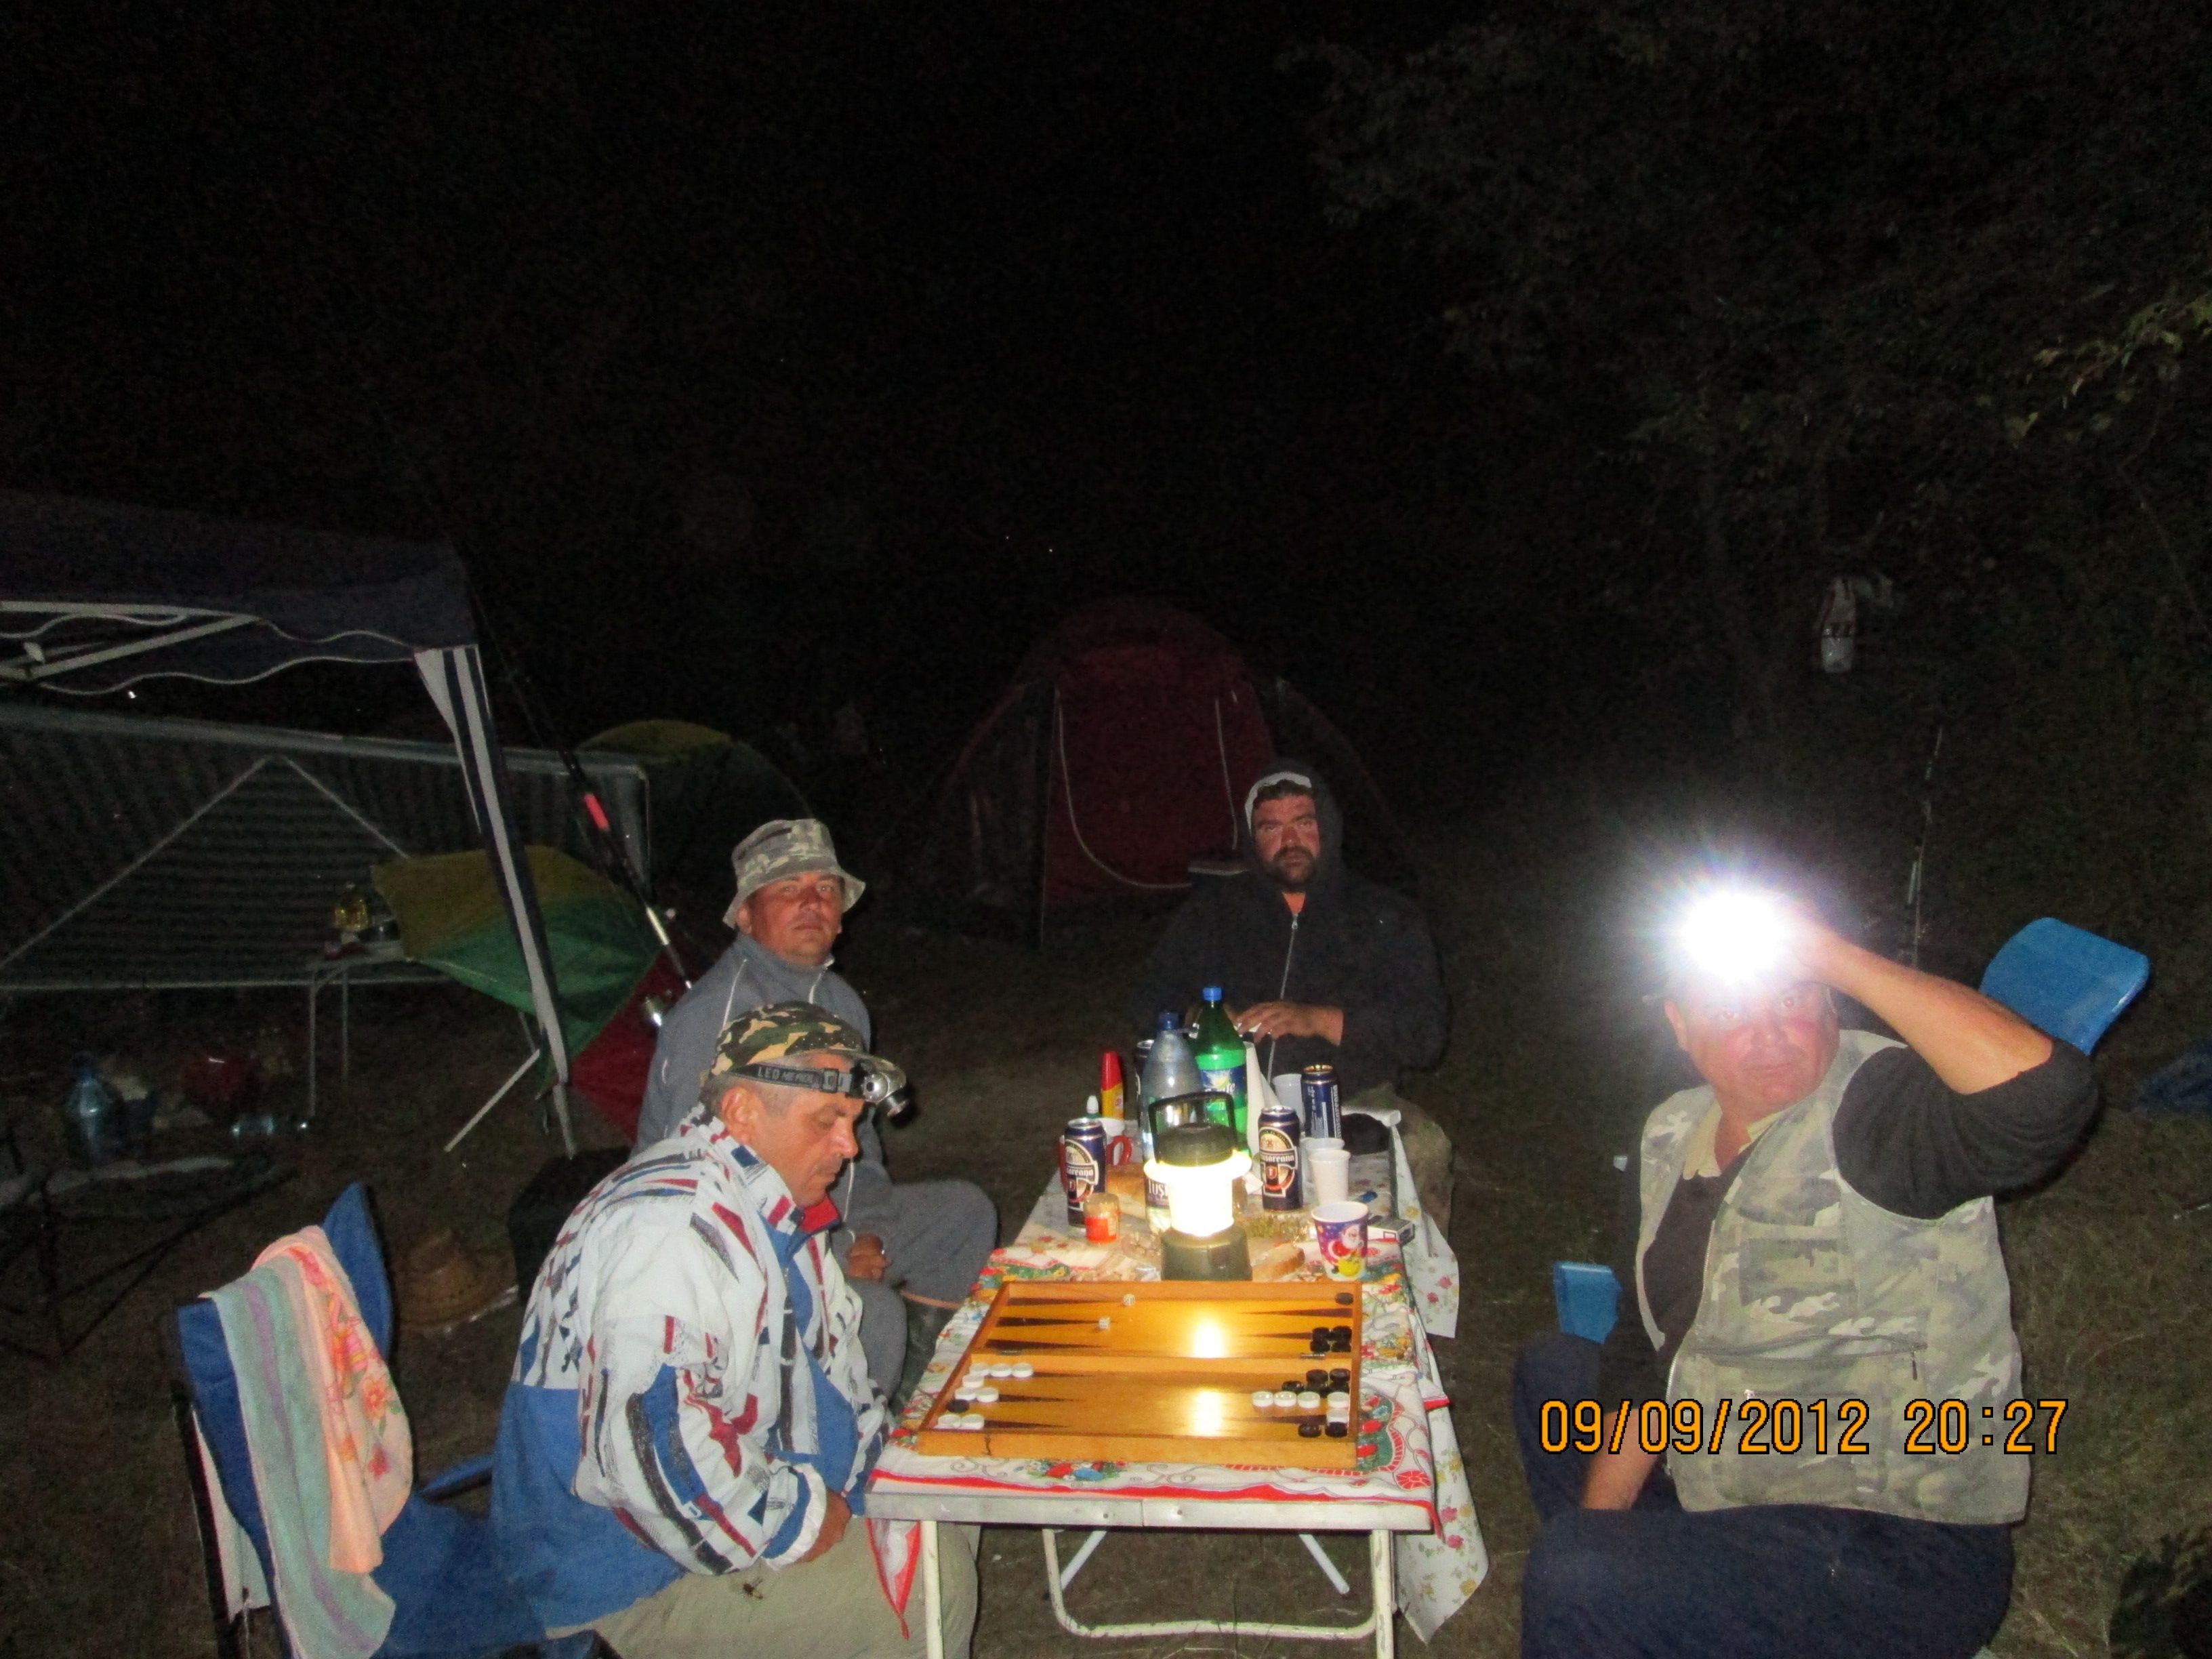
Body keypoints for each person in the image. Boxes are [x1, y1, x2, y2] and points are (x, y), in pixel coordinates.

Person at [1510, 893, 2097, 1659]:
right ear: (1681, 1025)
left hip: (1894, 1542)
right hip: (1733, 1483)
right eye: (1732, 1008)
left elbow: (2045, 1099)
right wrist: (1603, 1527)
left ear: (1829, 1001)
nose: (1769, 1033)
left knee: (1577, 1573)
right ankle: (1652, 1608)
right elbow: (1647, 1348)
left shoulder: (1877, 1110)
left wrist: (1827, 951)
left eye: (1792, 998)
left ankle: (1634, 1602)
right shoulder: (1671, 1133)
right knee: (1555, 1373)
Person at [493, 1002, 980, 1659]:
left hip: (703, 1520)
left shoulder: (773, 1205)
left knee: (947, 1505)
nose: (850, 1147)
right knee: (931, 1584)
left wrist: (891, 1480)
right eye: (827, 1122)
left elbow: (836, 1379)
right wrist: (798, 1520)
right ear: (743, 1111)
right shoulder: (672, 1231)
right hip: (623, 1581)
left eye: (852, 1122)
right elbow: (649, 1451)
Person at [636, 819, 997, 1399]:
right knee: (872, 1315)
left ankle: (912, 1399)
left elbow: (861, 1147)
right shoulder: (715, 1020)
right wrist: (827, 1256)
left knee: (963, 1214)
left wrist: (868, 1231)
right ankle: (850, 1435)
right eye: (788, 889)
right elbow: (700, 1196)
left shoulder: (841, 1005)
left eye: (825, 889)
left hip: (831, 1222)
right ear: (745, 916)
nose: (811, 902)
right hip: (729, 1257)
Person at [1127, 760, 1452, 1218]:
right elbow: (1146, 1001)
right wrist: (1203, 1018)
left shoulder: (1385, 916)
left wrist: (1317, 1019)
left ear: (1328, 827)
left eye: (1303, 823)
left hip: (1353, 1102)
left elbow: (1425, 1035)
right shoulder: (1212, 914)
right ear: (1252, 838)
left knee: (1425, 1148)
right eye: (1271, 828)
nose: (1290, 841)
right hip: (1224, 1103)